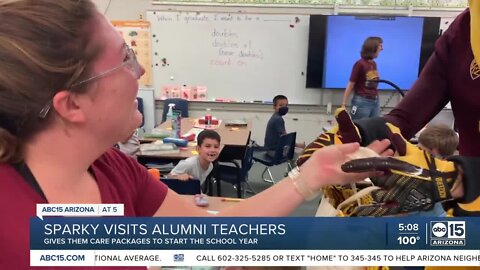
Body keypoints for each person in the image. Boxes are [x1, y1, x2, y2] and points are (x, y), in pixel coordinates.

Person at [0, 1, 393, 268]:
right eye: (124, 58)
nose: (138, 72)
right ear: (72, 105)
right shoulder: (15, 230)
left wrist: (310, 176)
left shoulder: (111, 168)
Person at [300, 2, 480, 217]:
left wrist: (465, 177)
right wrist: (360, 133)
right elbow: (406, 116)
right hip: (466, 209)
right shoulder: (465, 27)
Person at [341, 36, 383, 120]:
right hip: (361, 102)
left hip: (375, 101)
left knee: (373, 128)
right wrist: (343, 104)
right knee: (359, 128)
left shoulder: (374, 64)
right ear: (373, 48)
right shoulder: (360, 64)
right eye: (380, 46)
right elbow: (351, 84)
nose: (382, 49)